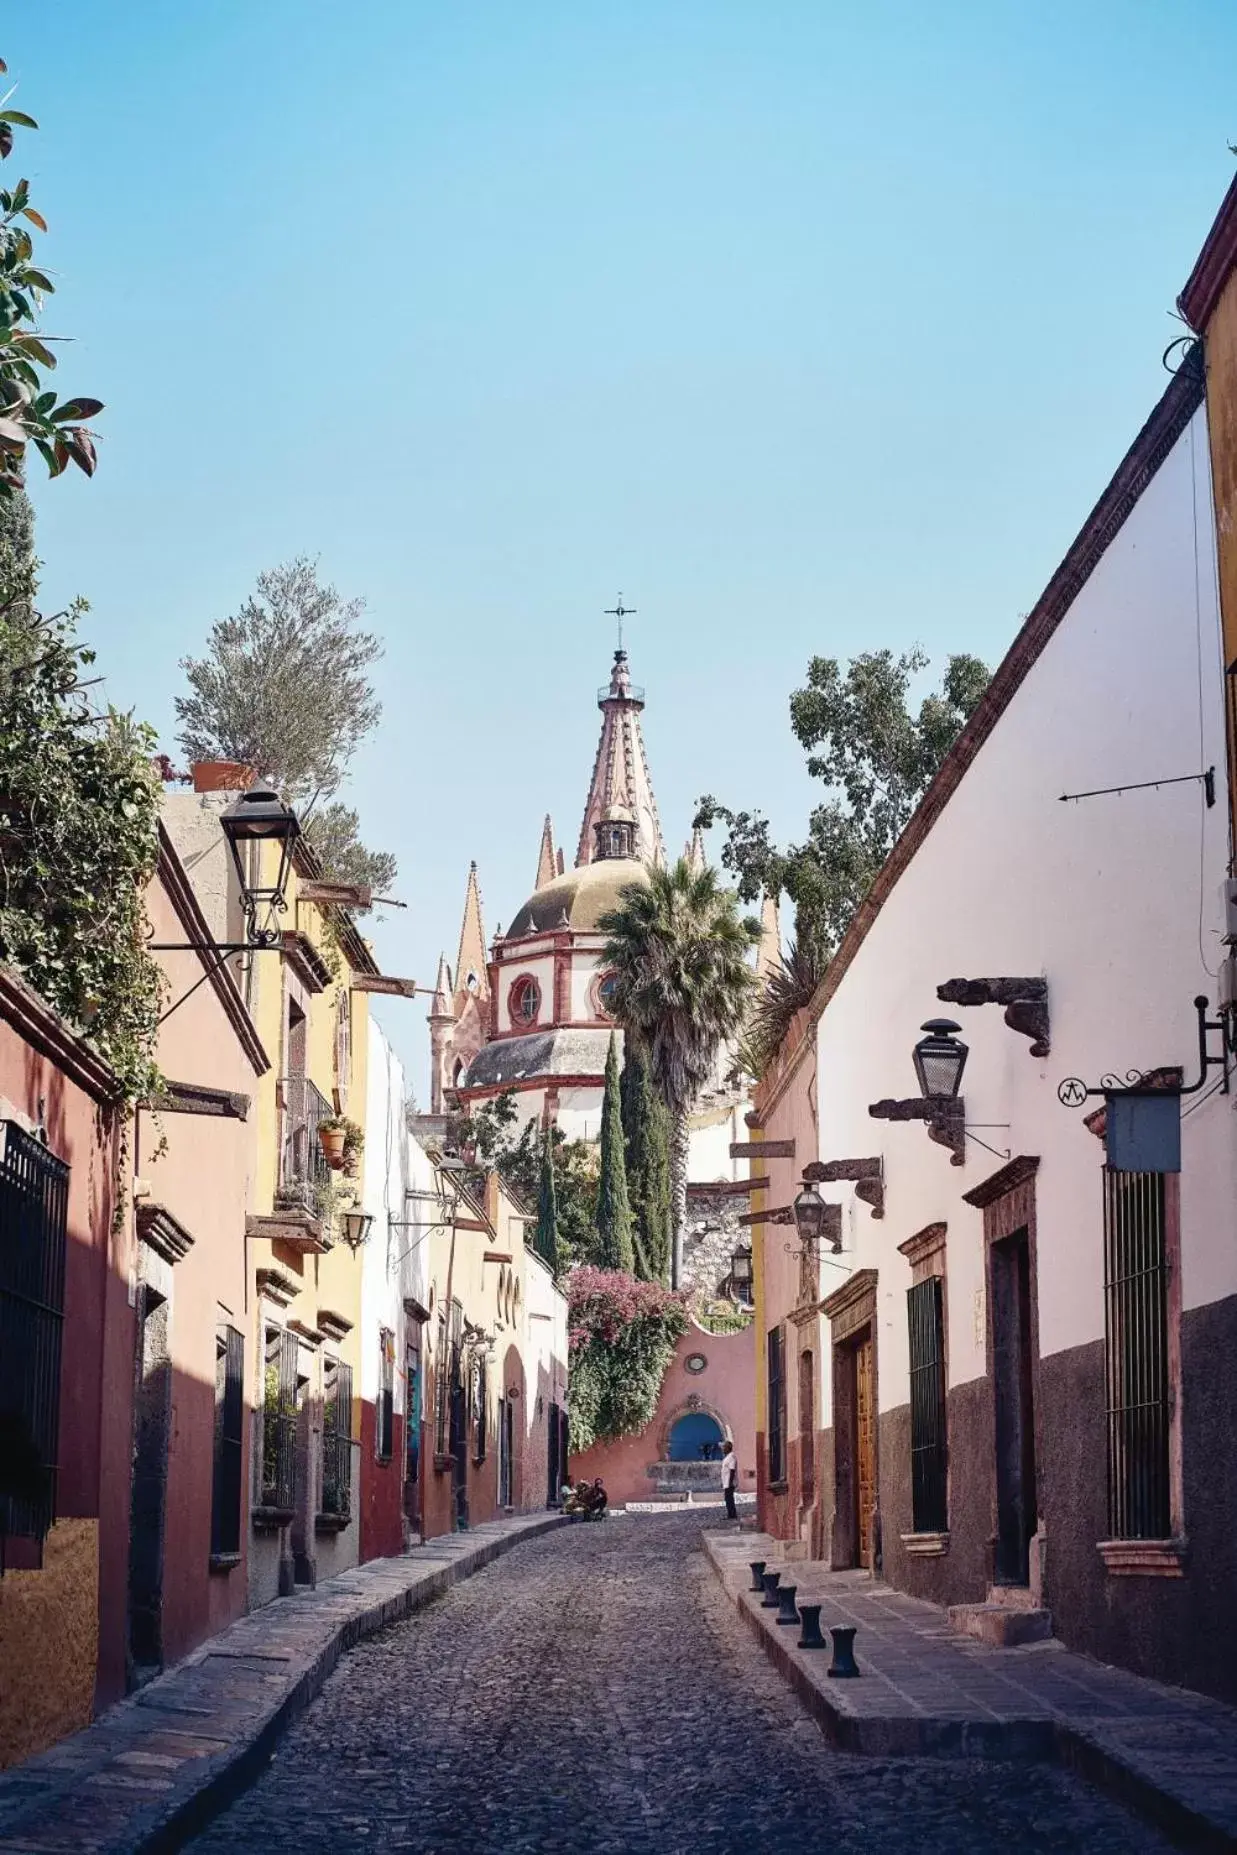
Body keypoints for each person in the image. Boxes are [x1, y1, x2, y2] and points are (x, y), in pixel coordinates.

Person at [721, 1437, 738, 1522]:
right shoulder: (727, 1457)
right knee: (728, 1499)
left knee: (729, 1499)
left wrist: (730, 1482)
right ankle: (730, 1514)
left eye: (724, 1447)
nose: (723, 1449)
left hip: (729, 1482)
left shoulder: (731, 1457)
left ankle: (732, 1514)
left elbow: (732, 1470)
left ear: (728, 1448)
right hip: (726, 1482)